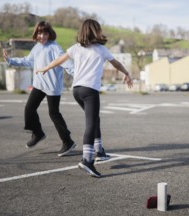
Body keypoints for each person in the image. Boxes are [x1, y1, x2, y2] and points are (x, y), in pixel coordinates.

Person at [36, 19, 133, 178]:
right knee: (91, 123)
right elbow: (116, 63)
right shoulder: (101, 49)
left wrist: (46, 68)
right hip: (90, 91)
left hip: (77, 90)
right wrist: (127, 73)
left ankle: (99, 151)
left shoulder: (76, 48)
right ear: (96, 31)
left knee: (95, 119)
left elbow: (60, 60)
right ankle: (87, 160)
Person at [3, 21, 76, 157]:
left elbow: (66, 62)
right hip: (39, 85)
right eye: (39, 33)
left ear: (49, 34)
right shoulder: (37, 47)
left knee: (54, 114)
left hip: (52, 86)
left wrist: (77, 74)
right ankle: (37, 133)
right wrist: (10, 60)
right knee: (29, 109)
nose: (42, 36)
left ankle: (68, 141)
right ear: (36, 34)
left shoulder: (54, 47)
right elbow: (27, 60)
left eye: (45, 33)